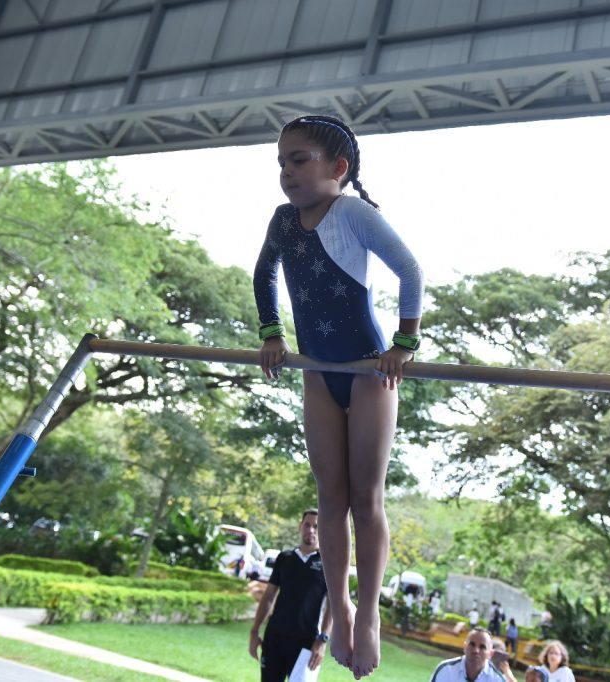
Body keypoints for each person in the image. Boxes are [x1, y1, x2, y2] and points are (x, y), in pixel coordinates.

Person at [254, 114, 424, 678]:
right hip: (317, 371)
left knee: (364, 498)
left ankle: (369, 611)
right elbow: (264, 276)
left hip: (369, 370)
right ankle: (343, 605)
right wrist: (272, 334)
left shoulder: (353, 214)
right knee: (330, 498)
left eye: (299, 160)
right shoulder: (282, 222)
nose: (287, 172)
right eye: (281, 162)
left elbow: (410, 270)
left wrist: (404, 340)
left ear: (338, 168)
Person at [249, 510, 333, 682]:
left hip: (306, 643)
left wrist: (322, 640)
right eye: (307, 525)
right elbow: (269, 596)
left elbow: (333, 605)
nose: (311, 530)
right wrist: (255, 631)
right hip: (275, 638)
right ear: (300, 527)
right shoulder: (284, 558)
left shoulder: (328, 564)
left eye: (316, 527)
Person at [430, 627, 507, 682]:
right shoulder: (445, 670)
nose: (476, 650)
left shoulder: (497, 679)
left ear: (490, 653)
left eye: (482, 647)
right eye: (472, 644)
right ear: (465, 647)